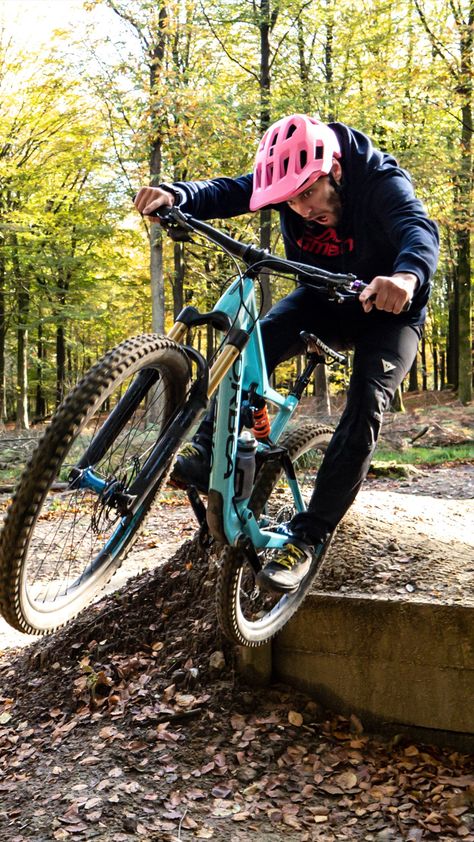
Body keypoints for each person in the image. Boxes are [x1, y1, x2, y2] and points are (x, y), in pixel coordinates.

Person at [134, 114, 439, 595]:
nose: (299, 209)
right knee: (258, 338)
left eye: (308, 196)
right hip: (324, 300)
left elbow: (417, 228)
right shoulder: (288, 186)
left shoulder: (379, 179)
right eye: (289, 200)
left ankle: (308, 537)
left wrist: (405, 279)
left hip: (390, 313)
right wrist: (178, 195)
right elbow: (230, 190)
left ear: (333, 169)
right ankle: (209, 446)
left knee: (364, 407)